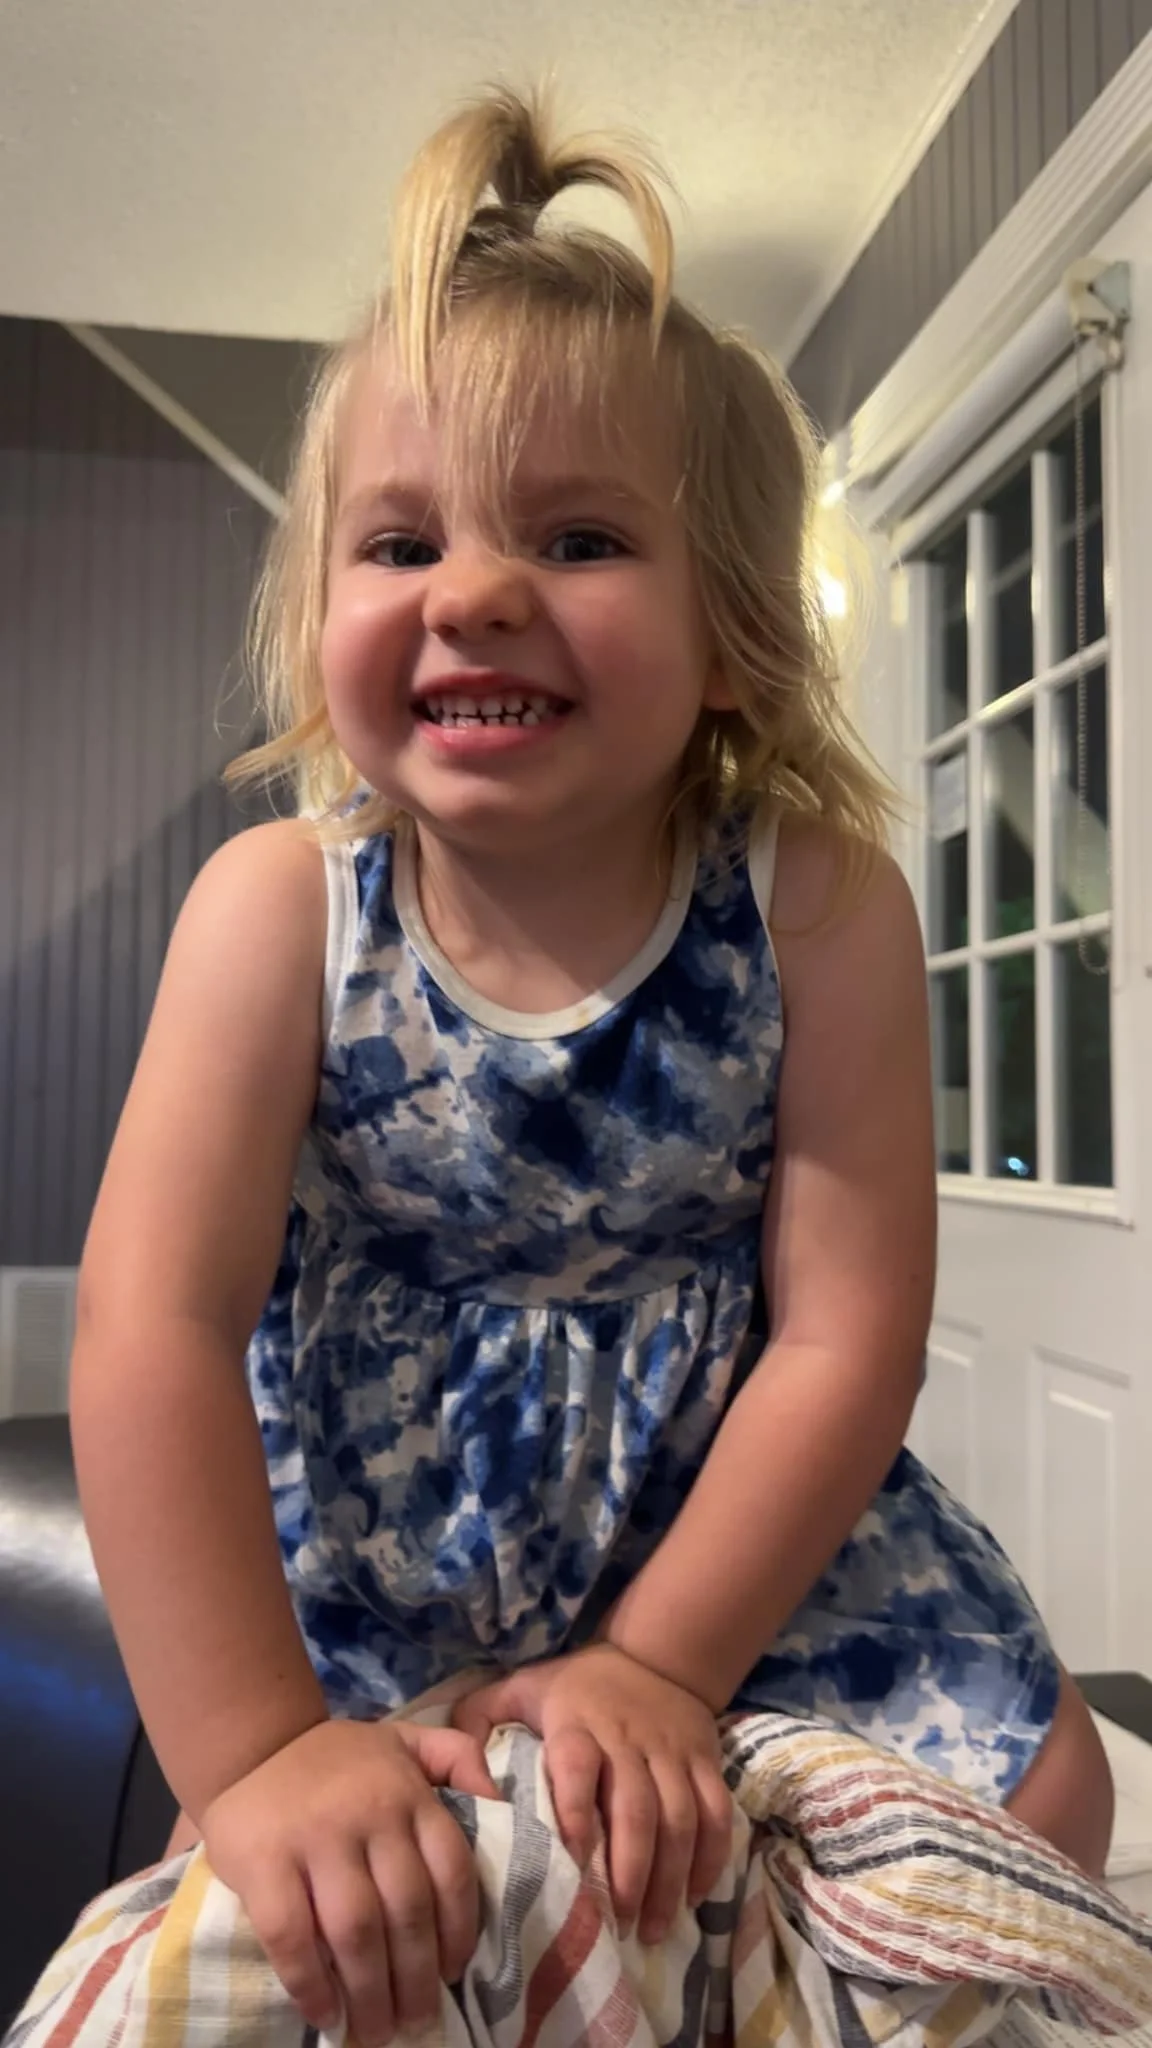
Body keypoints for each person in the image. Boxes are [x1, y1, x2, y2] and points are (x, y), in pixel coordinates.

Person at [69, 85, 1113, 2048]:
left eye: (575, 535)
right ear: (324, 617)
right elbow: (148, 1321)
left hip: (730, 1532)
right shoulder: (272, 912)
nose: (472, 589)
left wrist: (658, 1664)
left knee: (1067, 1793)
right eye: (401, 540)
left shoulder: (820, 906)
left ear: (729, 632)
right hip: (398, 1551)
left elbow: (847, 1334)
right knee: (357, 1878)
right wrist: (254, 1750)